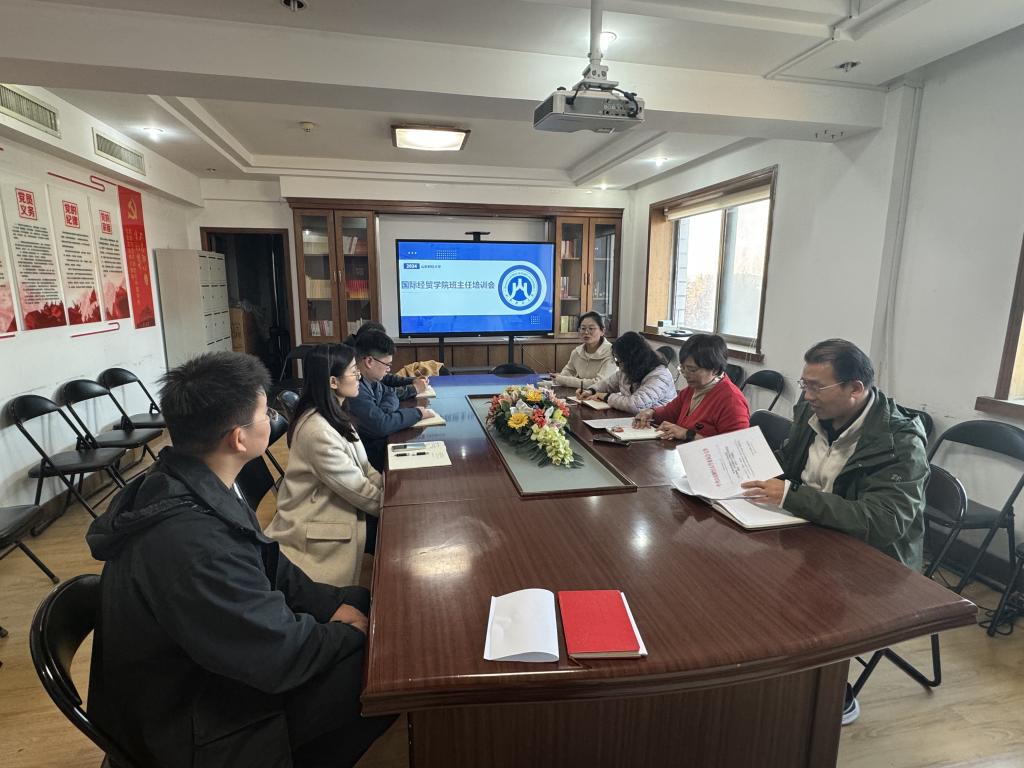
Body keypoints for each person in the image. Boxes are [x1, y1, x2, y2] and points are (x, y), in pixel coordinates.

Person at [86, 351, 394, 768]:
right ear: (238, 438)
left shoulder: (195, 481)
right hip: (196, 723)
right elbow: (278, 654)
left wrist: (334, 606)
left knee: (364, 603)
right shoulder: (191, 544)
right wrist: (348, 633)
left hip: (217, 666)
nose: (273, 419)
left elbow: (272, 566)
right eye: (266, 413)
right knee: (386, 667)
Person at [739, 338, 929, 726]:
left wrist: (791, 495)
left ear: (855, 388)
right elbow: (790, 465)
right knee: (741, 571)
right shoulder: (812, 412)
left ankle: (829, 690)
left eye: (815, 386)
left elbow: (882, 522)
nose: (806, 395)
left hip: (870, 556)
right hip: (809, 530)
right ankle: (763, 671)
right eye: (804, 384)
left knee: (794, 596)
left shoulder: (900, 443)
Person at [265, 344, 382, 587]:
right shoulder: (317, 430)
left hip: (340, 505)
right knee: (401, 532)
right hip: (319, 524)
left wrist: (392, 492)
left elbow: (366, 469)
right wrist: (394, 505)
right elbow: (359, 492)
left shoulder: (335, 414)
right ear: (333, 381)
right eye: (354, 372)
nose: (359, 377)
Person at [348, 329, 436, 471]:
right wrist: (417, 413)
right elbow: (381, 425)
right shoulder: (354, 388)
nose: (389, 369)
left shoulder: (372, 380)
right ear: (369, 361)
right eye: (387, 365)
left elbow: (390, 393)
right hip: (371, 462)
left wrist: (384, 412)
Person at [634, 334, 749, 440]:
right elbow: (670, 412)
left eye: (692, 370)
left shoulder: (732, 400)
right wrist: (651, 412)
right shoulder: (692, 389)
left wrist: (688, 434)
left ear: (715, 370)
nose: (686, 374)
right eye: (682, 368)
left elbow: (736, 446)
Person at [579, 331, 676, 414]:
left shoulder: (660, 376)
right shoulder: (628, 369)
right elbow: (608, 384)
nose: (618, 365)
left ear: (633, 359)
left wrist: (604, 396)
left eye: (619, 360)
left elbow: (636, 405)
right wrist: (591, 391)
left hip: (657, 424)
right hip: (634, 421)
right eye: (616, 359)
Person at [344, 321, 429, 399]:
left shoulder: (364, 364)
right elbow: (386, 395)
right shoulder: (348, 367)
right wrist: (414, 389)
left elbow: (386, 383)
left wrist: (412, 380)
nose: (388, 369)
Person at [551, 311, 617, 389]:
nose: (586, 332)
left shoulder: (611, 352)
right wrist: (557, 379)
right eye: (583, 328)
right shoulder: (577, 352)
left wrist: (563, 379)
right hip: (581, 393)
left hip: (604, 395)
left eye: (591, 328)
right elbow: (565, 374)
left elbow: (599, 384)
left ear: (602, 331)